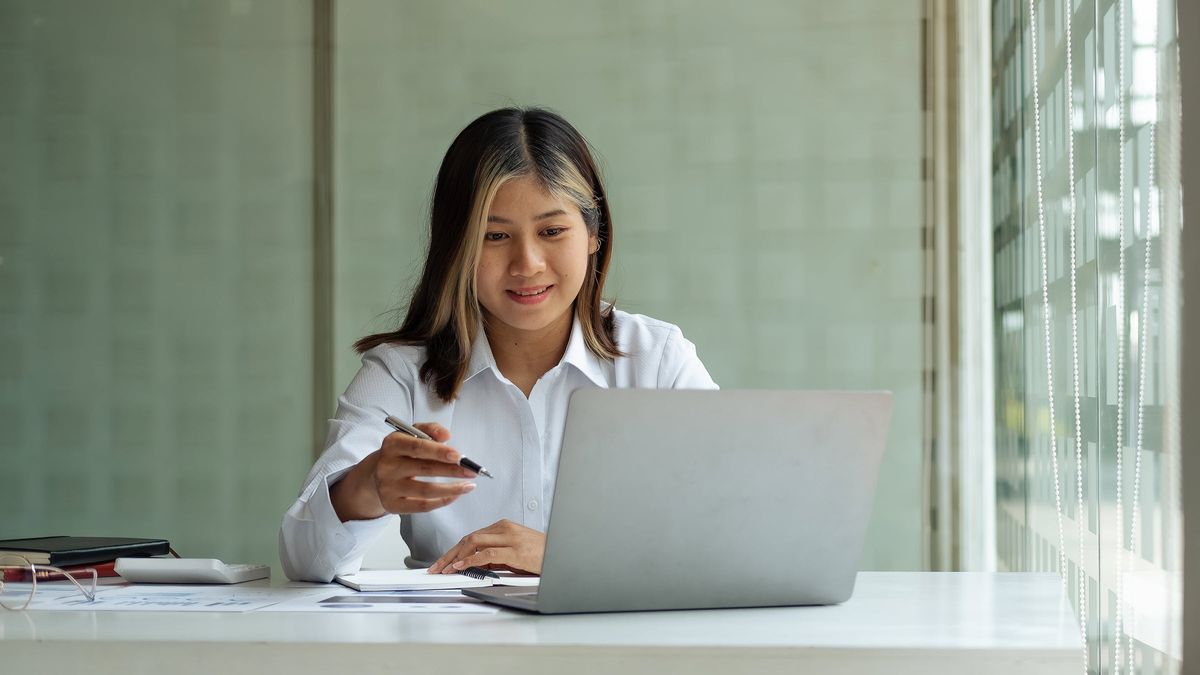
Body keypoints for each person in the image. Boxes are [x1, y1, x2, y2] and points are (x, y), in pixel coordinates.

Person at [279, 107, 717, 583]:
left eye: (552, 232)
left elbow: (730, 535)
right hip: (453, 653)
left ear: (593, 234)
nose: (526, 264)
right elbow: (303, 561)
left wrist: (563, 558)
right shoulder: (401, 373)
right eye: (494, 236)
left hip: (618, 651)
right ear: (458, 247)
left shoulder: (657, 361)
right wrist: (365, 489)